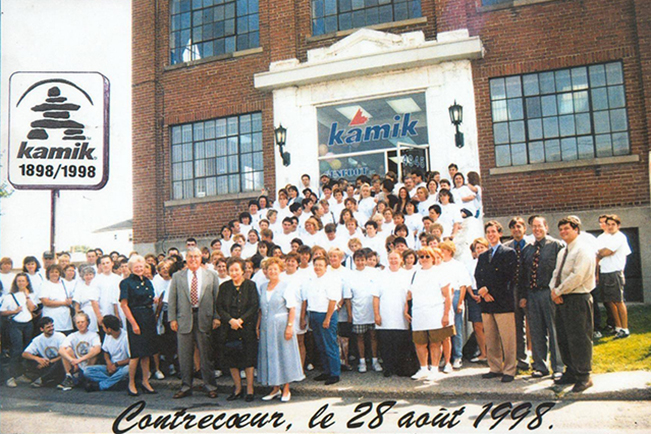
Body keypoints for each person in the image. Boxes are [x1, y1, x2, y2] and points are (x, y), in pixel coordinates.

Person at [551, 216, 596, 393]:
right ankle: (571, 371)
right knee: (564, 337)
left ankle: (584, 375)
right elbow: (556, 273)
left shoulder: (584, 250)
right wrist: (553, 292)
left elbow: (578, 276)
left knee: (579, 338)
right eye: (561, 229)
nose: (563, 232)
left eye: (567, 229)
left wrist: (559, 291)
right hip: (561, 299)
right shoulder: (563, 251)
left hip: (578, 298)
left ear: (576, 230)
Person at [168, 247, 220, 399]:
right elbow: (172, 299)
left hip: (204, 318)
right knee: (184, 356)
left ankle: (210, 386)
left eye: (196, 256)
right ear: (186, 259)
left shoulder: (211, 275)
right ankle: (186, 386)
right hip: (184, 319)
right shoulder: (178, 276)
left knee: (206, 355)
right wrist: (172, 319)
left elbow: (216, 298)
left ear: (201, 258)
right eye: (190, 257)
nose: (193, 259)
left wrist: (217, 317)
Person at [519, 216, 564, 379]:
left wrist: (558, 291)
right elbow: (523, 275)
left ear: (546, 227)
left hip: (549, 293)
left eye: (540, 226)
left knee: (554, 330)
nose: (537, 229)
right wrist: (524, 296)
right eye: (534, 227)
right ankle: (540, 366)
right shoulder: (528, 249)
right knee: (536, 331)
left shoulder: (556, 246)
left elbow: (561, 271)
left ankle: (558, 366)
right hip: (532, 294)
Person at [475, 221, 517, 383]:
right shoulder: (483, 256)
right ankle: (495, 367)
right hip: (487, 303)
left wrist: (490, 291)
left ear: (500, 233)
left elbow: (508, 277)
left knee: (507, 339)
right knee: (491, 338)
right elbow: (478, 275)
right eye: (488, 232)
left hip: (503, 301)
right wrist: (483, 291)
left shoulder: (508, 253)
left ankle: (510, 370)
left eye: (494, 231)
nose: (491, 234)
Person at [258, 258, 305, 402]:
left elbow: (292, 308)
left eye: (275, 269)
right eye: (269, 269)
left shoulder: (286, 286)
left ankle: (286, 389)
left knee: (284, 355)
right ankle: (275, 388)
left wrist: (290, 327)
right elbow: (261, 309)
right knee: (270, 356)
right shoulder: (262, 287)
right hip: (266, 326)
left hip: (281, 325)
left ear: (280, 270)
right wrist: (258, 326)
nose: (272, 272)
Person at [406, 247, 453, 381]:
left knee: (435, 343)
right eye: (421, 257)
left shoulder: (440, 273)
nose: (424, 259)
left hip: (435, 313)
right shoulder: (414, 273)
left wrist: (446, 315)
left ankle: (434, 369)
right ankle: (423, 368)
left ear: (433, 258)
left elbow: (447, 296)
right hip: (419, 313)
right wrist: (406, 309)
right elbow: (409, 294)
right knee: (420, 343)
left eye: (427, 256)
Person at [216, 257, 259, 402]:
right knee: (232, 360)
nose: (234, 273)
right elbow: (219, 307)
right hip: (229, 328)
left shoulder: (250, 285)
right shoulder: (224, 287)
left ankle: (250, 389)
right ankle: (238, 388)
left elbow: (254, 306)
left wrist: (241, 320)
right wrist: (230, 320)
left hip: (246, 327)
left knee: (248, 359)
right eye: (231, 270)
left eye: (236, 270)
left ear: (242, 270)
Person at [119, 255, 158, 396]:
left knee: (147, 353)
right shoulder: (126, 283)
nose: (139, 268)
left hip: (148, 318)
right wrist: (134, 324)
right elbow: (124, 305)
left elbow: (150, 298)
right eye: (136, 266)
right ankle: (131, 383)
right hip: (135, 318)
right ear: (130, 268)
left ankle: (145, 381)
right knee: (136, 354)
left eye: (141, 266)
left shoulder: (147, 281)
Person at [302, 256, 341, 385]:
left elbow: (332, 300)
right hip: (314, 314)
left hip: (326, 315)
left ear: (326, 267)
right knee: (320, 345)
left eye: (320, 265)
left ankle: (335, 373)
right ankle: (326, 371)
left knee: (330, 344)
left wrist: (328, 318)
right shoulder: (312, 280)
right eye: (316, 265)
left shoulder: (330, 280)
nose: (317, 267)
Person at [347, 250, 382, 373]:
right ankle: (362, 362)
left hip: (372, 311)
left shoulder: (374, 272)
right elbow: (348, 297)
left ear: (366, 260)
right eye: (357, 260)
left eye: (362, 260)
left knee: (373, 336)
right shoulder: (350, 275)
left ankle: (375, 361)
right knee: (360, 337)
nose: (360, 262)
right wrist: (350, 314)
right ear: (354, 261)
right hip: (358, 312)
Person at [597, 215, 632, 339]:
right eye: (608, 224)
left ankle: (625, 329)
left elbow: (606, 252)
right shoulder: (604, 238)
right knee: (609, 301)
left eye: (613, 224)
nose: (610, 226)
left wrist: (602, 252)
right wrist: (601, 252)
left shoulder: (620, 237)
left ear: (618, 225)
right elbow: (597, 253)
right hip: (604, 272)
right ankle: (617, 327)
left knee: (618, 301)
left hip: (615, 272)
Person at [1, 273, 37, 387]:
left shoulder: (30, 295)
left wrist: (27, 296)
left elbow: (32, 308)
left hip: (28, 324)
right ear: (16, 283)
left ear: (27, 283)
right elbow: (2, 311)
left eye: (23, 281)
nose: (21, 283)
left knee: (26, 350)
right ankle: (10, 377)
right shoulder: (9, 296)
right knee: (16, 350)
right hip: (16, 324)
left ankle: (20, 374)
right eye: (19, 281)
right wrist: (14, 311)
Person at [504, 217, 530, 372]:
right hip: (513, 290)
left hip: (530, 289)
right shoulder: (507, 247)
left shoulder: (532, 245)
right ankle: (521, 359)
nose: (516, 230)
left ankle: (540, 359)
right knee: (517, 326)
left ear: (524, 228)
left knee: (534, 326)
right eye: (513, 227)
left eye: (519, 226)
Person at [82, 315, 130, 392]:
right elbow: (106, 351)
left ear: (109, 329)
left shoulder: (126, 337)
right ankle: (115, 383)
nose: (103, 330)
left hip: (122, 366)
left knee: (127, 369)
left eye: (104, 327)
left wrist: (116, 364)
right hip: (111, 366)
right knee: (87, 371)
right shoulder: (108, 335)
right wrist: (109, 363)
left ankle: (101, 385)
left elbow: (132, 358)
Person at [58, 312, 101, 391]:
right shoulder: (72, 336)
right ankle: (69, 377)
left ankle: (87, 376)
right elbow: (61, 350)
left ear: (87, 322)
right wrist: (72, 360)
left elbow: (97, 350)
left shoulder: (94, 335)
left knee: (93, 350)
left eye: (82, 322)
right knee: (67, 350)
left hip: (88, 364)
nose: (80, 324)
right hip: (76, 365)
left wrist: (80, 360)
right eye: (78, 322)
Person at [22, 316, 66, 388]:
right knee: (28, 360)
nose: (51, 328)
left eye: (52, 326)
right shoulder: (38, 339)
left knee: (62, 361)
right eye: (48, 327)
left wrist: (50, 361)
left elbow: (65, 354)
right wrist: (38, 359)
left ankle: (43, 379)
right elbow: (25, 354)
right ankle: (49, 378)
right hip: (46, 363)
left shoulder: (60, 336)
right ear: (42, 329)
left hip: (58, 362)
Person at [40, 265, 74, 334]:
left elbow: (71, 297)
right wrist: (64, 303)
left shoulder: (65, 283)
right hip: (51, 317)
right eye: (52, 272)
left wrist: (69, 300)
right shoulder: (44, 285)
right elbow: (46, 302)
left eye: (56, 272)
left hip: (65, 319)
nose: (54, 274)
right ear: (48, 274)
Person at [73, 266, 102, 333]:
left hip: (98, 310)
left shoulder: (97, 285)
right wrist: (77, 312)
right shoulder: (80, 287)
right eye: (86, 275)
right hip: (86, 310)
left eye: (90, 274)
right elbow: (77, 302)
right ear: (83, 276)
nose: (89, 277)